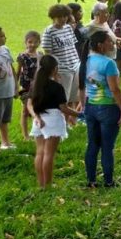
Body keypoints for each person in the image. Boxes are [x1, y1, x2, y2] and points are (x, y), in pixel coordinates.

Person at [83, 30, 121, 188]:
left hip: (91, 107)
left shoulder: (85, 60)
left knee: (92, 145)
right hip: (108, 108)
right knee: (107, 147)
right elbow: (115, 89)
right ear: (101, 45)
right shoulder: (109, 63)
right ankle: (108, 181)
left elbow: (82, 86)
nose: (112, 43)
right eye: (109, 41)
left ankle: (91, 180)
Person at [26, 54, 76, 188]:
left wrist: (36, 117)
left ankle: (41, 183)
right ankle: (48, 184)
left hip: (39, 120)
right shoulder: (57, 87)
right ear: (54, 69)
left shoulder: (35, 85)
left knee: (40, 152)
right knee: (49, 154)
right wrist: (79, 113)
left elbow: (29, 105)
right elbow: (63, 108)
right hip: (53, 120)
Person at [40, 4, 81, 114]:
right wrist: (54, 72)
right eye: (60, 17)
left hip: (75, 65)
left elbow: (73, 46)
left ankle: (72, 120)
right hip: (62, 69)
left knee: (74, 96)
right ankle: (64, 122)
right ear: (53, 17)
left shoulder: (68, 28)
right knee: (64, 98)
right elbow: (48, 54)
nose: (63, 19)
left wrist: (77, 62)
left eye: (65, 16)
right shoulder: (49, 32)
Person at [16, 31, 41, 141]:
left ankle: (36, 132)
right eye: (30, 42)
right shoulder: (22, 56)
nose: (32, 44)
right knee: (25, 110)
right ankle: (26, 135)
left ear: (39, 43)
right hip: (26, 86)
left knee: (37, 109)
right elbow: (18, 72)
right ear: (25, 42)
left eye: (35, 42)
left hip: (38, 86)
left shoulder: (40, 55)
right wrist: (15, 87)